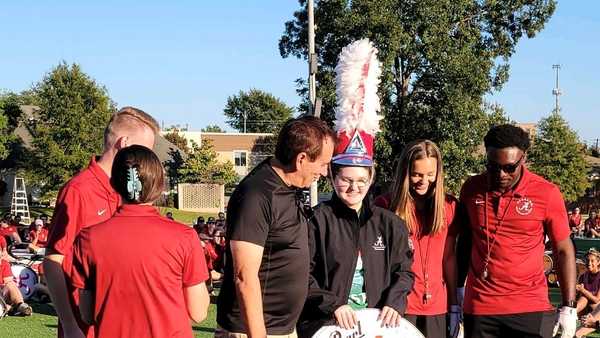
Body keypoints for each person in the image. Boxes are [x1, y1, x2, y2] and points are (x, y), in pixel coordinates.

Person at [70, 145, 210, 337]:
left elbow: (87, 314)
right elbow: (199, 312)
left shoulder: (88, 239)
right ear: (159, 184)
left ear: (114, 183)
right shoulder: (184, 237)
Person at [43, 106, 159, 338]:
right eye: (145, 150)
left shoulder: (129, 192)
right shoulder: (79, 190)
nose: (149, 159)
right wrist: (70, 325)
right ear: (124, 143)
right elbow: (53, 260)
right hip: (86, 324)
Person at [216, 115, 335, 338]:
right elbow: (244, 277)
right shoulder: (257, 195)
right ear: (301, 159)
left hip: (283, 329)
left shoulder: (287, 188)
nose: (325, 172)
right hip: (253, 331)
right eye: (323, 164)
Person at [458, 124, 576, 338]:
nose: (501, 174)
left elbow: (563, 250)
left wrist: (569, 306)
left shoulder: (546, 193)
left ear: (524, 159)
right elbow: (465, 242)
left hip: (529, 307)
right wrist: (457, 291)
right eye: (493, 167)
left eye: (509, 167)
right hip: (480, 307)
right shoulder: (471, 188)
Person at [375, 140, 460, 337]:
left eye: (431, 175)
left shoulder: (450, 207)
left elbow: (448, 258)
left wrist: (455, 304)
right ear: (405, 173)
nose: (424, 181)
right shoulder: (384, 205)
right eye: (417, 175)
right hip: (397, 307)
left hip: (437, 307)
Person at [0, 236, 32, 316]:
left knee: (10, 284)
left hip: (2, 293)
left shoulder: (4, 264)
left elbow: (8, 282)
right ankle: (11, 308)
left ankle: (21, 305)